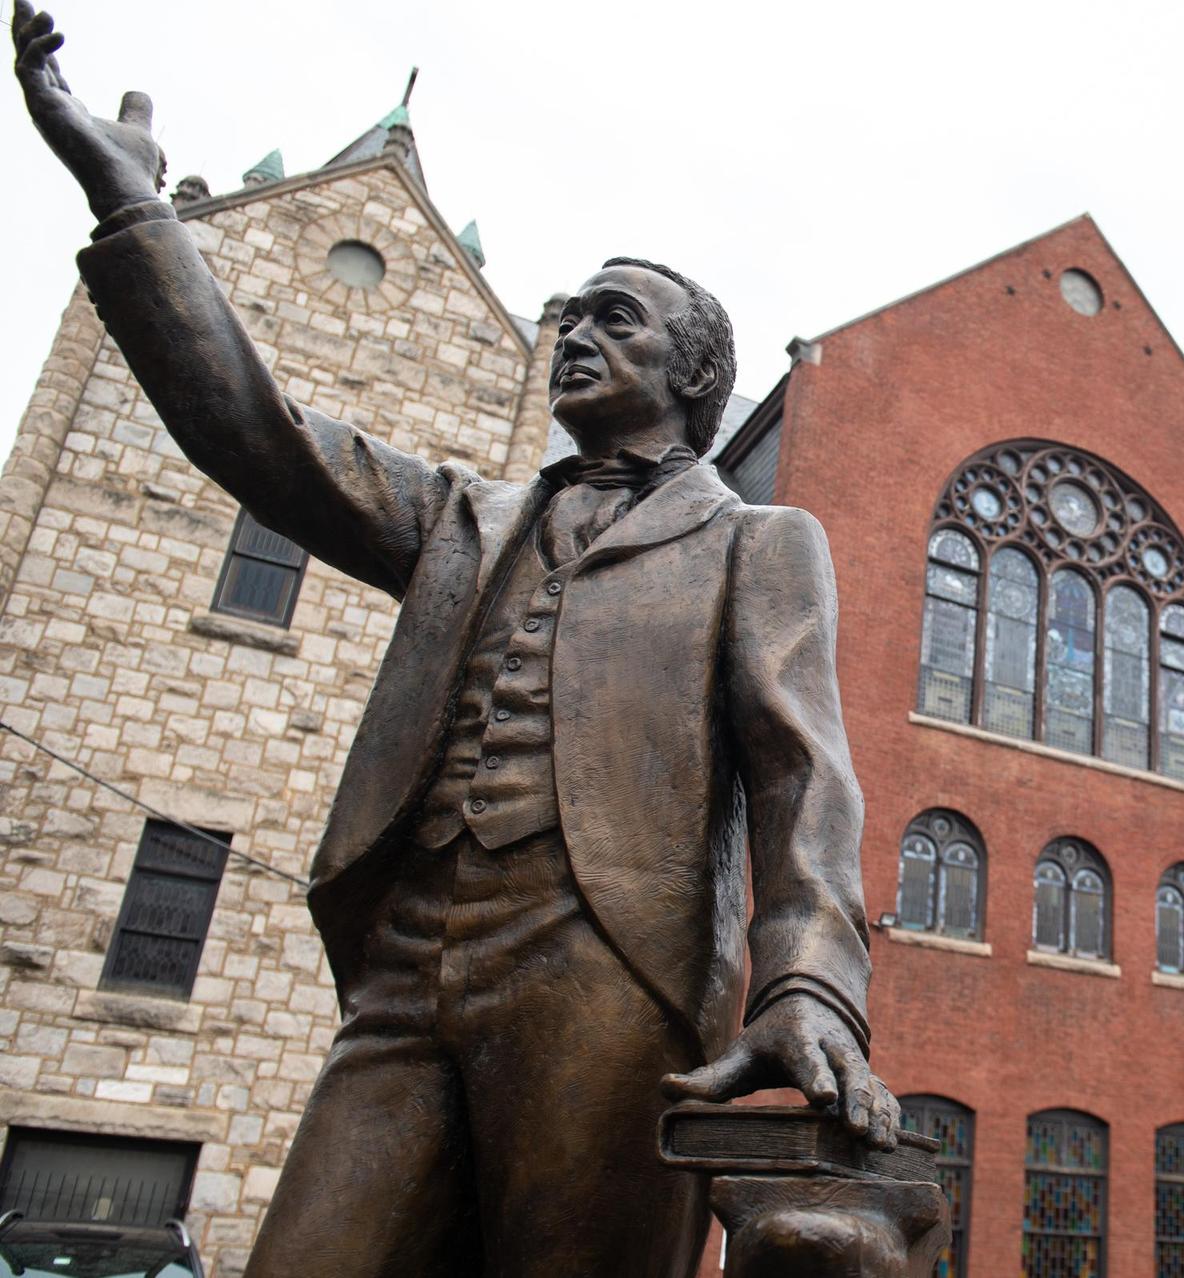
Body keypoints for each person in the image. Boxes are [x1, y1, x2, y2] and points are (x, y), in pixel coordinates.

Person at [11, 6, 895, 1275]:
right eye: (572, 317)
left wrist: (808, 981)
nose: (578, 336)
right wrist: (135, 211)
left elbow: (805, 774)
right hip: (406, 958)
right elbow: (255, 431)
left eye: (617, 320)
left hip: (604, 967)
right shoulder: (459, 521)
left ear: (695, 379)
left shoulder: (760, 543)